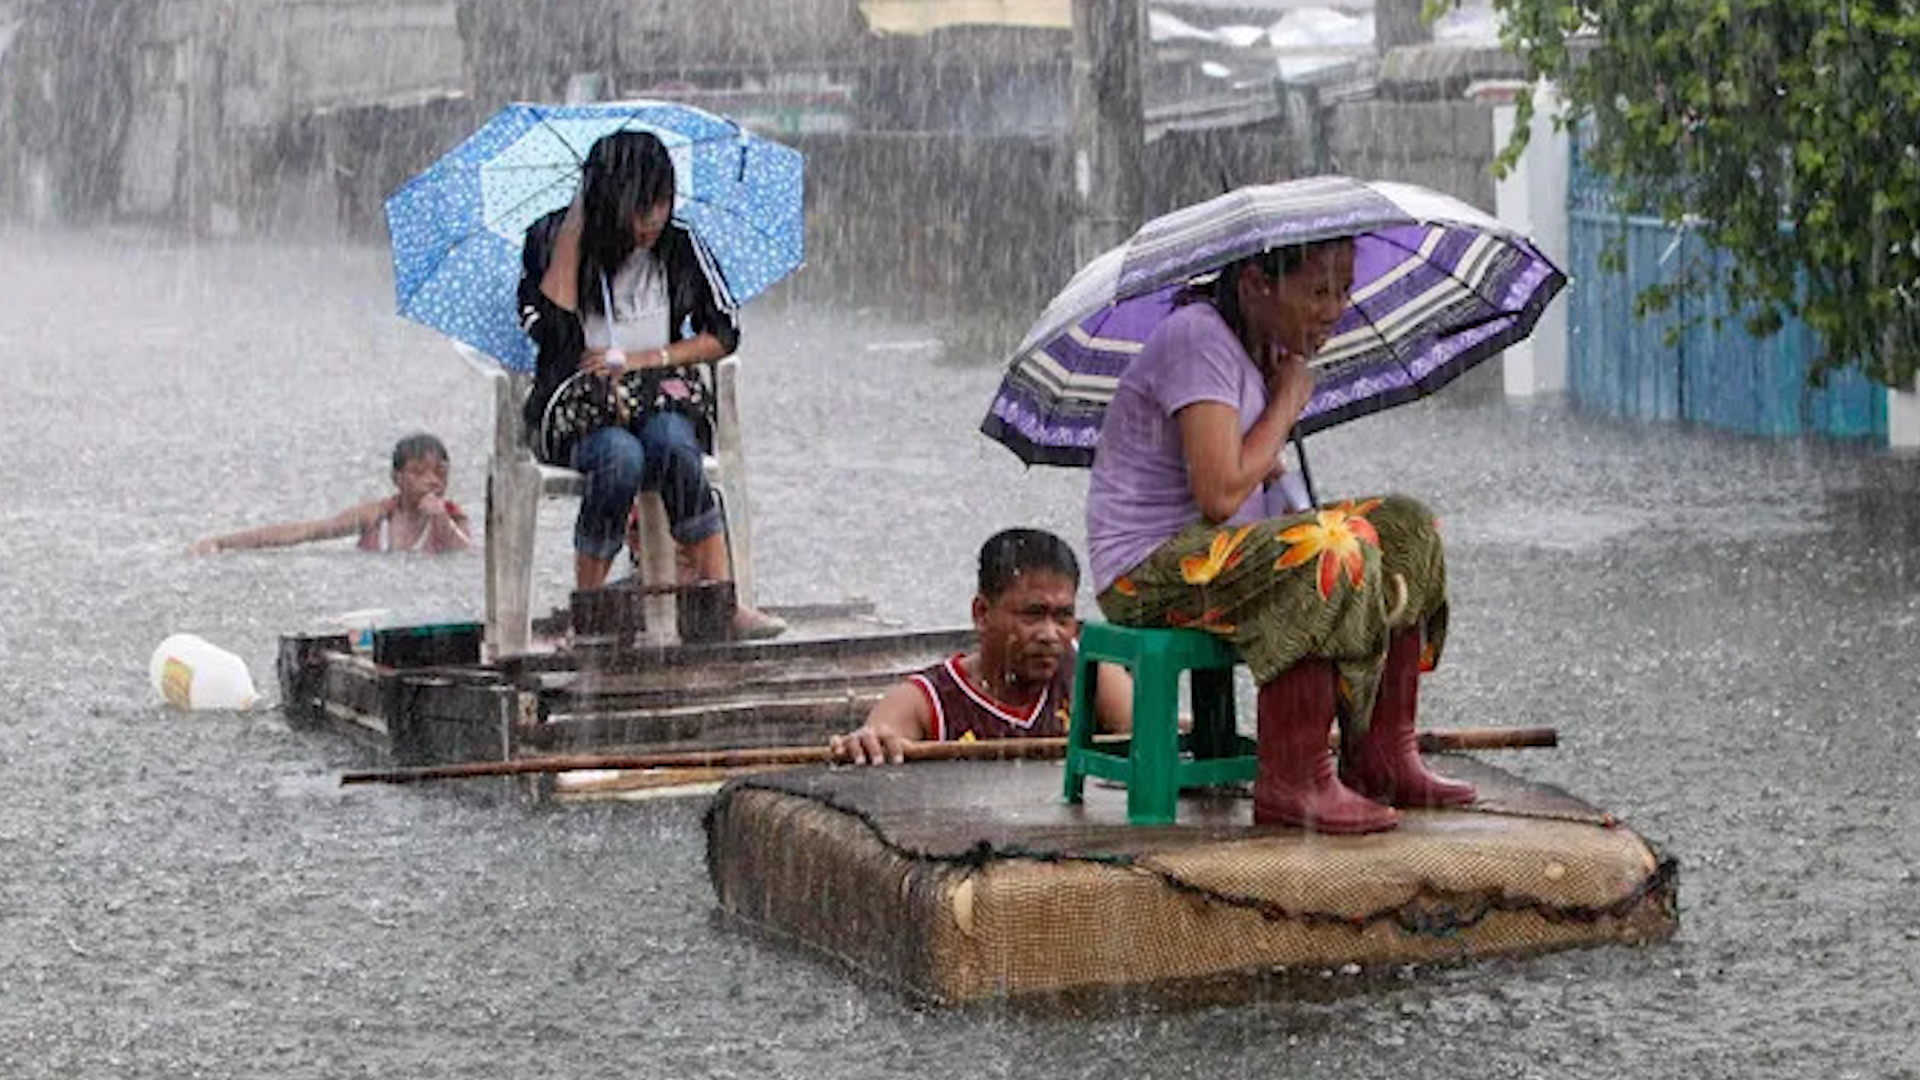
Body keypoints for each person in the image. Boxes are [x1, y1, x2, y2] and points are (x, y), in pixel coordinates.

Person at [1085, 240, 1474, 834]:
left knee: (1405, 526)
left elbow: (1262, 481)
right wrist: (1288, 401)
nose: (1336, 308)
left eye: (1345, 288)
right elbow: (1218, 495)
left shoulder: (1257, 347)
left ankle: (1381, 754)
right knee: (1326, 547)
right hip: (1149, 570)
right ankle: (1293, 778)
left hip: (1226, 555)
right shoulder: (1198, 338)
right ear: (1255, 284)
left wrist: (1276, 395)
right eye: (1319, 291)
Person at [518, 130, 784, 639]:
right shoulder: (550, 241)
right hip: (582, 414)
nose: (650, 221)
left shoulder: (681, 246)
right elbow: (552, 335)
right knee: (620, 460)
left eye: (660, 203)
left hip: (660, 402)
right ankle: (591, 613)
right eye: (638, 207)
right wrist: (574, 230)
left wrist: (649, 358)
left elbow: (723, 334)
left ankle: (719, 602)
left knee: (673, 446)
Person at [830, 528, 1133, 765]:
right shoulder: (922, 702)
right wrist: (868, 745)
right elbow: (879, 741)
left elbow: (1150, 741)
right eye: (1033, 614)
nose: (1050, 634)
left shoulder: (1090, 669)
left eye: (1063, 617)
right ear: (982, 614)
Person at [189, 433, 472, 556]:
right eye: (419, 472)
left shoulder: (454, 519)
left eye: (440, 472)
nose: (432, 481)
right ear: (397, 478)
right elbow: (306, 532)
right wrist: (223, 542)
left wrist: (441, 521)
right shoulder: (377, 516)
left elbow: (466, 556)